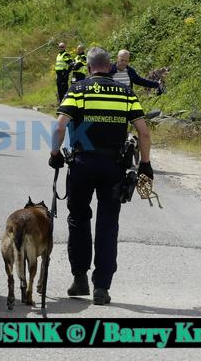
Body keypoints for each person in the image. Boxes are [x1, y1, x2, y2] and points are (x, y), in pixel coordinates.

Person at [48, 47, 153, 305]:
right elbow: (144, 132)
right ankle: (102, 288)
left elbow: (60, 125)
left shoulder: (78, 90)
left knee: (79, 218)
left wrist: (55, 154)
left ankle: (80, 278)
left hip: (82, 164)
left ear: (89, 67)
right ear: (110, 67)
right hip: (113, 166)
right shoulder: (127, 93)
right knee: (108, 224)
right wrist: (146, 165)